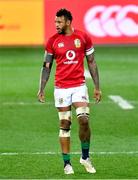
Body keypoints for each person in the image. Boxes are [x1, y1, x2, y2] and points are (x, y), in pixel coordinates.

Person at [37, 8, 101, 175]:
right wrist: (41, 88)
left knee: (84, 120)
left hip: (79, 85)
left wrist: (97, 87)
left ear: (68, 22)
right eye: (55, 22)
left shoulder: (83, 37)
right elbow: (46, 66)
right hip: (61, 88)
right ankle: (67, 163)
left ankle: (85, 157)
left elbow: (92, 62)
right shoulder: (52, 41)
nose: (56, 24)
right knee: (65, 124)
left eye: (59, 22)